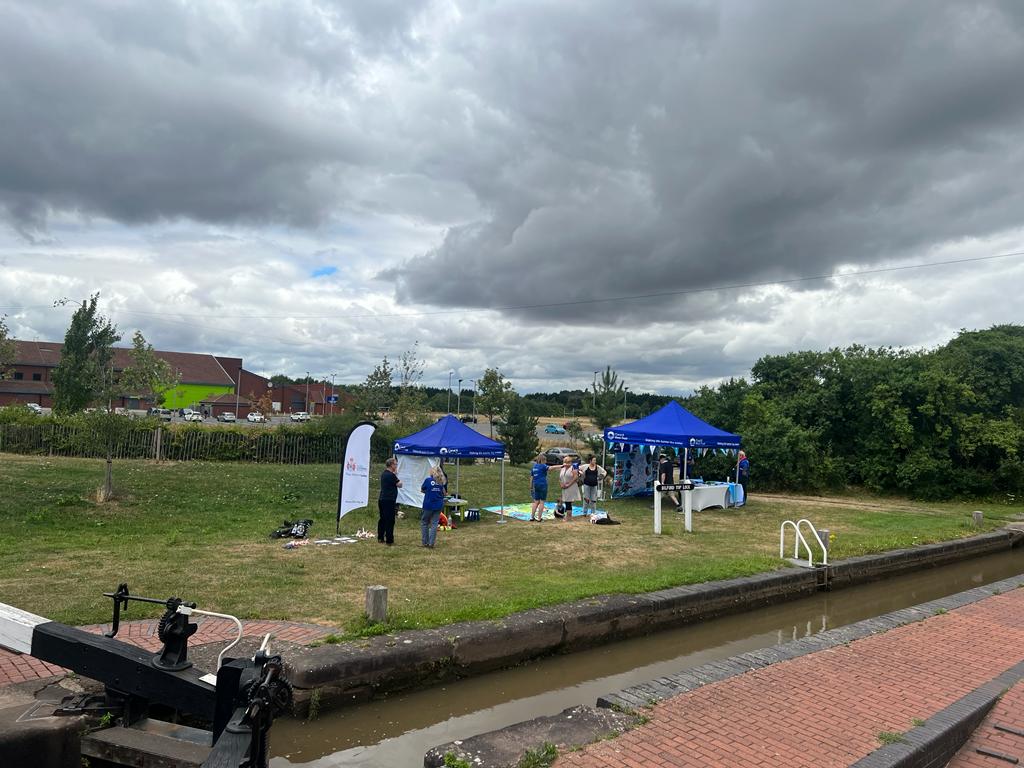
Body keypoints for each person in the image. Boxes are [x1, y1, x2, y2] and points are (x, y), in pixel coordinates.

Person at [420, 466, 447, 548]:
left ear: (432, 472)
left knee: (424, 522)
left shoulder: (428, 480)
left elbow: (422, 489)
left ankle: (425, 542)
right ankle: (431, 543)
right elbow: (444, 493)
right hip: (438, 505)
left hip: (428, 504)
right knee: (434, 524)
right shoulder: (441, 481)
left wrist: (429, 492)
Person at [378, 457, 402, 545]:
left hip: (382, 499)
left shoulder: (384, 474)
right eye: (395, 464)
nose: (396, 466)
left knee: (383, 519)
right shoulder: (391, 475)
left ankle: (380, 537)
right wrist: (396, 475)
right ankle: (389, 540)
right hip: (389, 500)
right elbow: (400, 484)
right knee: (390, 520)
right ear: (391, 465)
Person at [530, 454, 556, 521]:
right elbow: (550, 468)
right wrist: (561, 466)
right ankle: (539, 518)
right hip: (543, 485)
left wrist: (531, 486)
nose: (546, 461)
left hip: (536, 485)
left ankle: (532, 517)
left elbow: (531, 477)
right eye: (545, 460)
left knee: (536, 502)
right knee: (542, 502)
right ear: (543, 460)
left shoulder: (534, 466)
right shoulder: (543, 466)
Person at [559, 456, 581, 522]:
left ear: (570, 462)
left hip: (571, 487)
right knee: (566, 501)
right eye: (565, 462)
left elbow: (575, 477)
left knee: (568, 502)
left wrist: (569, 484)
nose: (566, 464)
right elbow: (560, 478)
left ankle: (569, 517)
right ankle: (568, 516)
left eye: (568, 462)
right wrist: (561, 484)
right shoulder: (562, 468)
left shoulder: (573, 468)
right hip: (564, 487)